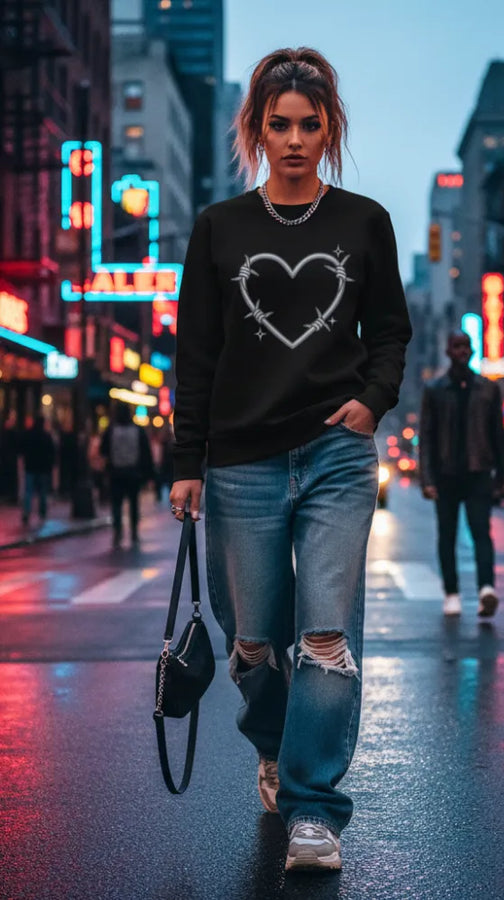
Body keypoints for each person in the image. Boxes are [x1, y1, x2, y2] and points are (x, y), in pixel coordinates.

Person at [169, 47, 411, 872]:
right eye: (281, 125)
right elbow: (194, 352)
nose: (297, 139)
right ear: (258, 131)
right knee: (252, 641)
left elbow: (390, 332)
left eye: (312, 125)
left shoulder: (364, 221)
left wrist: (372, 402)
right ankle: (272, 747)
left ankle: (315, 809)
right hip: (240, 461)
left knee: (326, 636)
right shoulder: (220, 228)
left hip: (338, 455)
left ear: (330, 130)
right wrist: (186, 459)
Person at [419, 330, 504, 618]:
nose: (462, 351)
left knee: (482, 532)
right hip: (446, 474)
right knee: (447, 535)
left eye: (466, 346)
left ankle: (486, 590)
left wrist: (500, 478)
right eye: (457, 346)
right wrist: (427, 479)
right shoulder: (434, 389)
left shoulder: (488, 388)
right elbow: (427, 437)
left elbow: (498, 436)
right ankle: (452, 593)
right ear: (448, 351)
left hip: (478, 471)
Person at [100, 403, 153, 548]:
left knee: (116, 504)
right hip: (133, 472)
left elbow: (103, 450)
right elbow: (146, 453)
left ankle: (118, 531)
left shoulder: (111, 430)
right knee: (134, 503)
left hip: (116, 472)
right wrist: (149, 474)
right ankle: (134, 531)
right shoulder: (138, 430)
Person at [19, 414, 55, 525]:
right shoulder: (46, 436)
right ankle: (42, 512)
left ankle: (26, 512)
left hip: (30, 467)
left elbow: (22, 449)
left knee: (28, 491)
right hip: (43, 468)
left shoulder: (28, 434)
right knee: (42, 492)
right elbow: (51, 452)